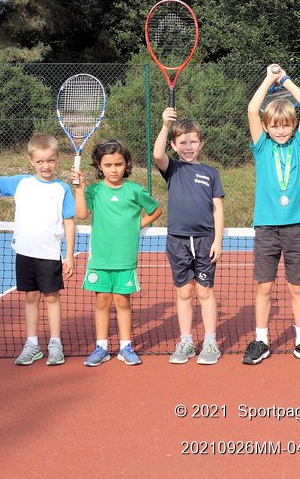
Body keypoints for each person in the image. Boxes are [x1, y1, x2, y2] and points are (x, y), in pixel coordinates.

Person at [0, 134, 75, 366]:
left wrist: (71, 255)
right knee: (31, 298)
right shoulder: (20, 183)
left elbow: (69, 222)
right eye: (41, 161)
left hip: (50, 254)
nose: (46, 166)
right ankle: (32, 344)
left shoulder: (62, 188)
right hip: (24, 253)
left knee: (52, 298)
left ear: (58, 159)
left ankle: (55, 344)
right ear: (31, 160)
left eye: (51, 160)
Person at [243, 64, 300, 365]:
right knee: (264, 286)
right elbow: (253, 109)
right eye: (275, 125)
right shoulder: (261, 148)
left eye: (286, 125)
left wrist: (286, 80)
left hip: (295, 227)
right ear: (266, 127)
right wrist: (267, 79)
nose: (281, 130)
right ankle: (260, 339)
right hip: (266, 227)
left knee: (297, 286)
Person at [72, 139, 162, 367]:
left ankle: (125, 346)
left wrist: (136, 225)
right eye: (108, 164)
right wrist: (80, 189)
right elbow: (81, 214)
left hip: (125, 259)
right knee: (102, 302)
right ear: (99, 166)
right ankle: (101, 346)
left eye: (118, 164)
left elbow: (156, 209)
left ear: (126, 165)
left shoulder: (135, 190)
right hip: (100, 259)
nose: (114, 169)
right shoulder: (94, 190)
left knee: (123, 302)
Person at [153, 108, 225, 365]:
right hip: (178, 241)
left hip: (205, 240)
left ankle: (210, 342)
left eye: (193, 141)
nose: (188, 146)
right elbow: (157, 154)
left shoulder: (211, 173)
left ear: (201, 143)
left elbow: (217, 208)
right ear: (174, 144)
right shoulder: (171, 168)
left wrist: (218, 240)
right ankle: (186, 341)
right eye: (182, 142)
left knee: (204, 291)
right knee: (184, 293)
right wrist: (164, 125)